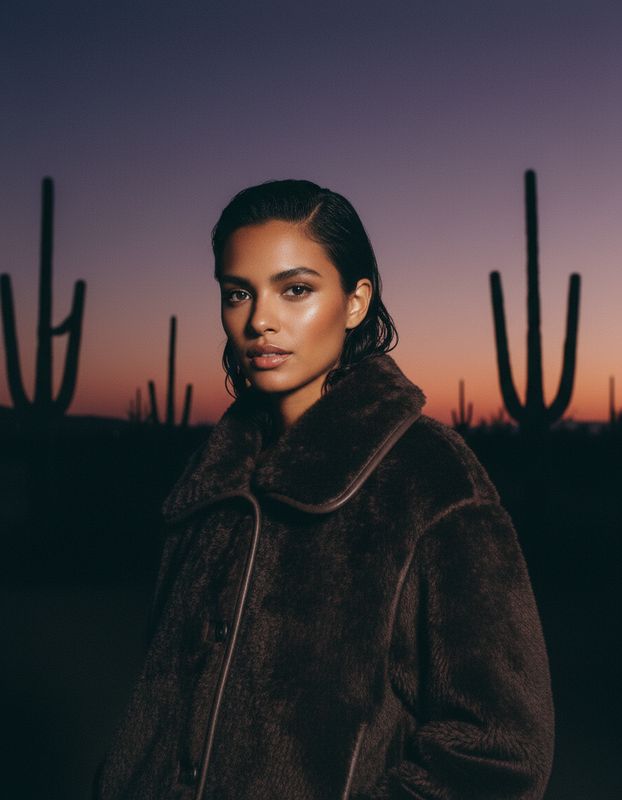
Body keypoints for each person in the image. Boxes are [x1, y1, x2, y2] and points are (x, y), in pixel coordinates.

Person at [95, 180, 554, 800]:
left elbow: (501, 753)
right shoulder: (209, 483)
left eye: (295, 289)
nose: (259, 320)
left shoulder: (429, 477)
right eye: (238, 293)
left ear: (356, 301)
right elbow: (158, 712)